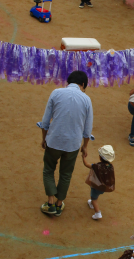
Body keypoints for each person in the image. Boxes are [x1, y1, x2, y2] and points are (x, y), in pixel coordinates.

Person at [38, 71, 93, 217]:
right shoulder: (87, 100)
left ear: (68, 82)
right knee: (66, 174)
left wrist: (44, 138)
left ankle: (49, 203)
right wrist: (85, 146)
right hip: (73, 145)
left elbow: (45, 122)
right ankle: (58, 204)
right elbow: (87, 130)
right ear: (82, 84)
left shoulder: (56, 93)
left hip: (54, 141)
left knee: (49, 170)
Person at [82, 145, 115, 220]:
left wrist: (83, 157)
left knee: (94, 199)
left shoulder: (97, 166)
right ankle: (91, 202)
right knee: (96, 195)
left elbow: (86, 164)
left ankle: (98, 213)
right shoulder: (111, 166)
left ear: (100, 157)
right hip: (103, 187)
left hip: (97, 186)